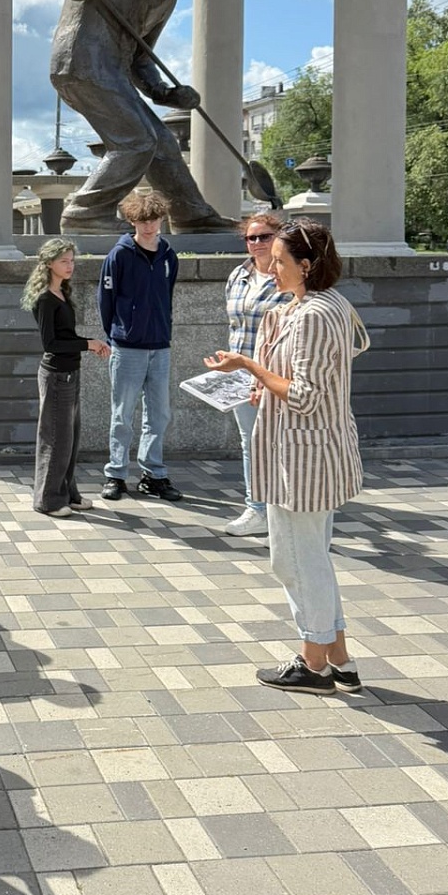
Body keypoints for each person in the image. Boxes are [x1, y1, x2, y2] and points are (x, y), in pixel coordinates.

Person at [203, 219, 369, 695]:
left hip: (303, 458)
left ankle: (313, 664)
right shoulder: (317, 305)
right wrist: (263, 381)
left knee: (295, 561)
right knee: (310, 557)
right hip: (310, 453)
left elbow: (305, 396)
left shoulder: (315, 313)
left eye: (279, 261)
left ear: (307, 265)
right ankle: (338, 659)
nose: (270, 268)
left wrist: (249, 366)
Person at [45, 0, 236, 233]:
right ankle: (85, 213)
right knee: (136, 142)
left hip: (113, 69)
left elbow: (140, 59)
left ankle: (192, 215)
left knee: (161, 143)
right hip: (82, 56)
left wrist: (166, 93)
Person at [98, 191, 183, 502]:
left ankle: (153, 475)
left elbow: (166, 297)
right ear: (132, 221)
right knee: (122, 415)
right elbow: (105, 300)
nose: (149, 227)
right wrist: (119, 333)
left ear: (161, 220)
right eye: (142, 221)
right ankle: (116, 475)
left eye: (154, 220)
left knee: (158, 414)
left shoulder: (169, 256)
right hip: (127, 347)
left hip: (160, 346)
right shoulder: (119, 255)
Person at [23, 239, 110, 516]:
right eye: (64, 261)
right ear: (49, 263)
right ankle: (48, 501)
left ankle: (69, 494)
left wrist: (90, 343)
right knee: (56, 439)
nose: (70, 266)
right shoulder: (45, 299)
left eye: (72, 260)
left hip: (71, 373)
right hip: (57, 376)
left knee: (69, 439)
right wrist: (88, 344)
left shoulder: (62, 293)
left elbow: (67, 337)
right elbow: (51, 344)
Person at [219, 212, 290, 537]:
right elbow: (236, 326)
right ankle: (257, 509)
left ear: (278, 238)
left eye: (264, 236)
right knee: (251, 443)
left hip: (274, 376)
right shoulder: (239, 274)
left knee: (281, 443)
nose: (257, 243)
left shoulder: (286, 276)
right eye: (251, 237)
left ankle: (284, 510)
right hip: (240, 376)